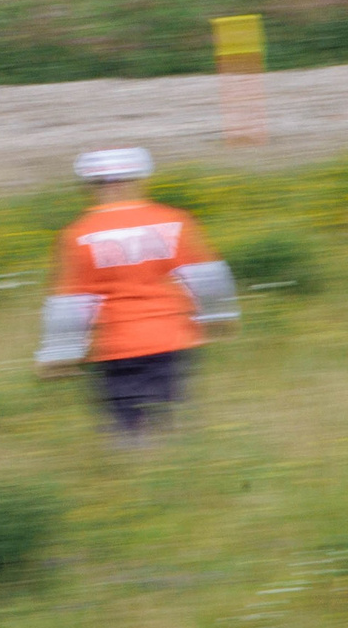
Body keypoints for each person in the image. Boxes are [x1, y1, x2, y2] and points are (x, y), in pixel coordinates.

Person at [35, 148, 237, 443]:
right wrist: (219, 317)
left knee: (127, 433)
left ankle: (135, 475)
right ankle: (177, 477)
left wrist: (59, 354)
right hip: (172, 342)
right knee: (169, 426)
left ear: (90, 187)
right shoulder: (174, 221)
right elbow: (206, 277)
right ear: (139, 180)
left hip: (118, 350)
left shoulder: (78, 235)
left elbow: (73, 303)